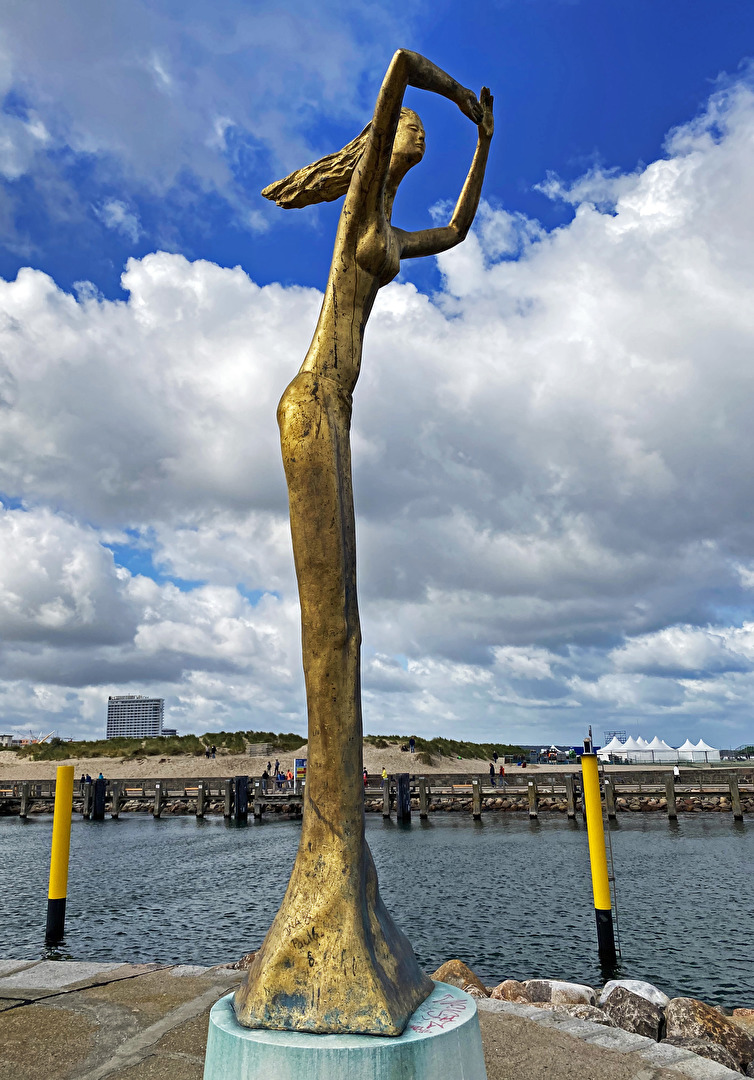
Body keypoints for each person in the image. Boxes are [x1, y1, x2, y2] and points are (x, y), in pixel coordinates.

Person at [234, 52, 494, 1034]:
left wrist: (479, 143)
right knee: (331, 634)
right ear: (385, 149)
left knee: (350, 629)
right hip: (311, 409)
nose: (413, 156)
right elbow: (393, 69)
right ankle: (326, 890)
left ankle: (343, 889)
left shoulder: (394, 232)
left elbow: (463, 228)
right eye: (408, 146)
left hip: (336, 416)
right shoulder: (357, 220)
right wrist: (449, 92)